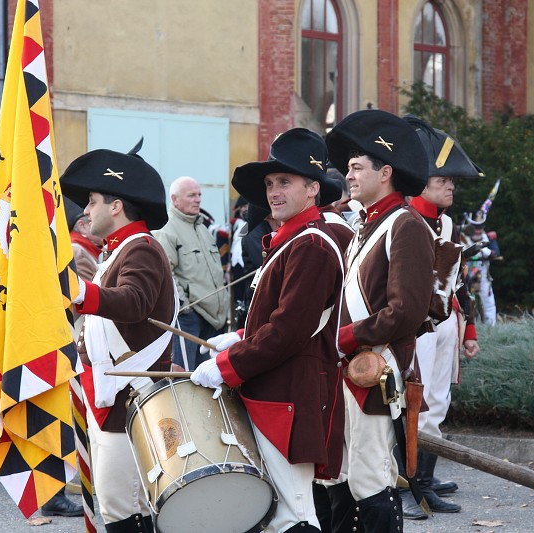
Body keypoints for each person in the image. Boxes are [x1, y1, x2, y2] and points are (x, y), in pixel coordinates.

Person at [191, 128, 345, 533]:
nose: (274, 192)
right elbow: (286, 320)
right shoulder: (291, 241)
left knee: (294, 516)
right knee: (277, 516)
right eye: (270, 184)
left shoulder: (310, 244)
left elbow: (289, 331)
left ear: (313, 188)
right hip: (276, 392)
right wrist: (243, 337)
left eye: (285, 182)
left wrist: (228, 365)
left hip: (289, 395)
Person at [324, 109, 434, 531]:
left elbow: (405, 310)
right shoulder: (365, 228)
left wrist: (343, 337)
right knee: (343, 480)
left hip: (376, 374)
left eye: (356, 168)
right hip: (349, 372)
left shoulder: (405, 225)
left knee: (372, 483)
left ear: (384, 171)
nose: (348, 176)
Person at [60, 142, 177, 533]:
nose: (86, 211)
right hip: (112, 395)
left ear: (116, 205)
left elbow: (133, 303)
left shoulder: (140, 249)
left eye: (93, 201)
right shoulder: (120, 250)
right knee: (118, 507)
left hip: (127, 398)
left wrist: (80, 292)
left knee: (124, 510)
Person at [403, 117, 483, 519]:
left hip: (445, 322)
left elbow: (457, 282)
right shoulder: (405, 221)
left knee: (436, 401)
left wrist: (467, 327)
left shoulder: (447, 223)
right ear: (422, 182)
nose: (451, 186)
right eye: (443, 180)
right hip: (416, 325)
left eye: (452, 181)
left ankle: (424, 483)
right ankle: (407, 485)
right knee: (411, 402)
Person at [38, 199, 96, 519]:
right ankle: (53, 494)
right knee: (61, 417)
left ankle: (55, 490)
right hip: (65, 341)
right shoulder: (76, 251)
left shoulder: (72, 248)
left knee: (65, 417)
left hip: (65, 341)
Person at [154, 176, 229, 370]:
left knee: (210, 379)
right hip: (189, 319)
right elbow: (165, 273)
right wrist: (185, 308)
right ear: (175, 199)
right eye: (191, 195)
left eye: (199, 195)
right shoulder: (166, 229)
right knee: (185, 379)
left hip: (214, 319)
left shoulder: (202, 228)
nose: (198, 199)